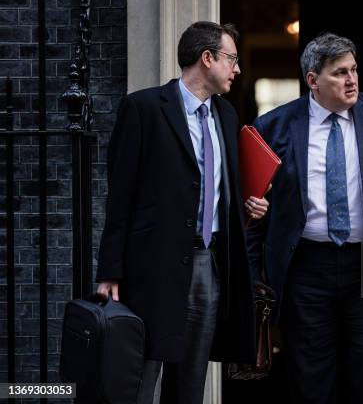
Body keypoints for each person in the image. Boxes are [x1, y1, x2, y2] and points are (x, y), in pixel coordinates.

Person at [247, 33, 363, 403]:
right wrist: (254, 277)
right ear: (313, 80)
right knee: (310, 380)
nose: (352, 80)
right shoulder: (273, 126)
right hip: (305, 271)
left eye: (355, 70)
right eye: (340, 72)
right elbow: (255, 206)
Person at [95, 21, 269, 404]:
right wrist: (110, 271)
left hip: (209, 264)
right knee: (138, 381)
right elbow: (120, 195)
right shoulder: (142, 108)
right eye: (232, 60)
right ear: (207, 58)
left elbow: (217, 189)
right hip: (151, 267)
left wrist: (247, 208)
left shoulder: (226, 116)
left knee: (190, 382)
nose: (237, 70)